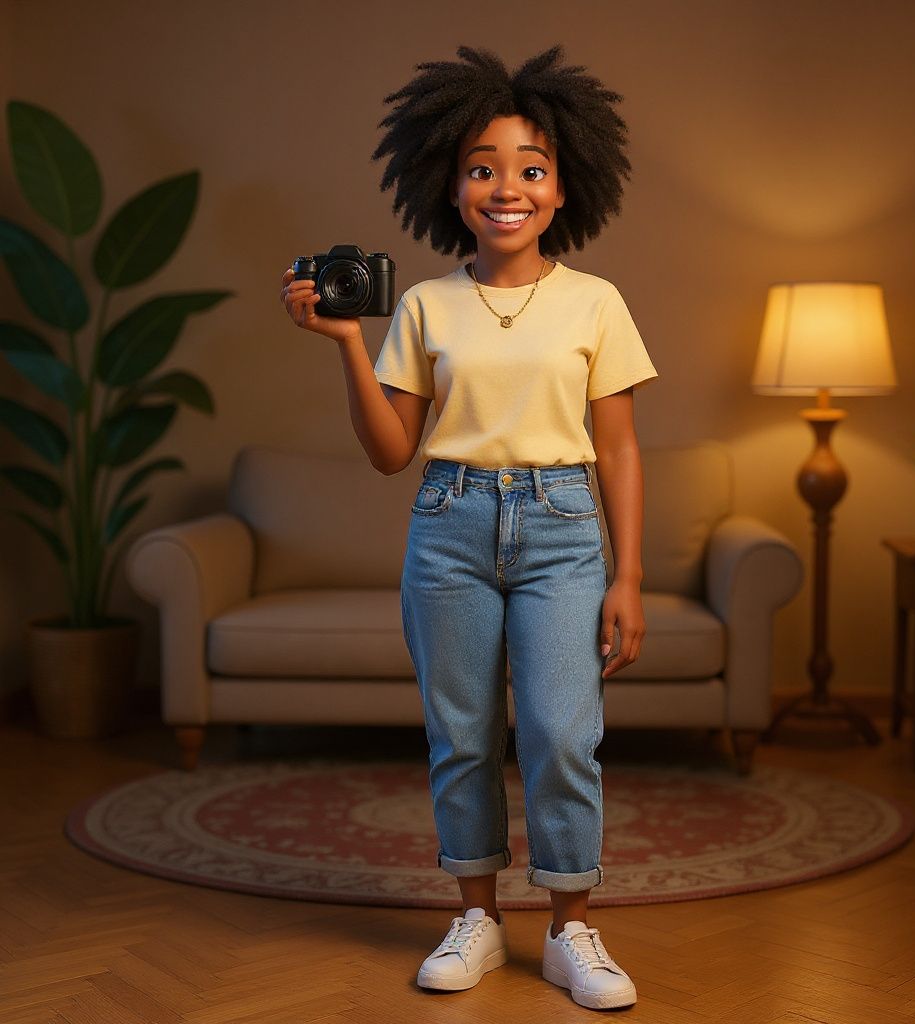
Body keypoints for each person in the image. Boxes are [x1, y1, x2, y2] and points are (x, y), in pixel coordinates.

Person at [279, 43, 657, 1011]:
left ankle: (572, 928)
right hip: (447, 523)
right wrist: (346, 346)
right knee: (460, 733)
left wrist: (626, 576)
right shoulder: (420, 304)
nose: (507, 187)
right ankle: (478, 918)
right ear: (449, 187)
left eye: (531, 167)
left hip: (565, 528)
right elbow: (390, 448)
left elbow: (616, 448)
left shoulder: (595, 303)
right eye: (482, 167)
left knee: (561, 733)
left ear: (564, 186)